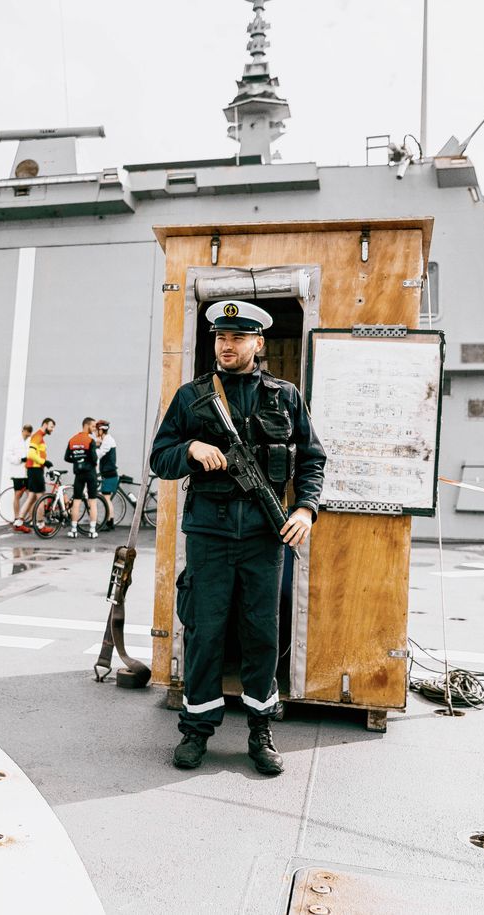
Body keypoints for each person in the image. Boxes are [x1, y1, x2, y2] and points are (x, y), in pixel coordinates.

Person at [149, 300, 325, 776]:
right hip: (209, 529)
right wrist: (190, 448)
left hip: (265, 536)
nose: (226, 346)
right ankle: (196, 730)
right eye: (220, 338)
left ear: (258, 343)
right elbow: (159, 457)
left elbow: (312, 459)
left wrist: (306, 509)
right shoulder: (192, 396)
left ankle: (259, 729)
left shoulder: (284, 396)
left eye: (237, 338)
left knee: (261, 632)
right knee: (205, 630)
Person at [15, 417, 56, 534]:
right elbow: (31, 454)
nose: (52, 430)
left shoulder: (40, 437)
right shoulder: (38, 436)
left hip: (34, 470)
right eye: (51, 427)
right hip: (36, 470)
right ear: (45, 424)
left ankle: (18, 523)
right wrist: (44, 462)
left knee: (31, 497)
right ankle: (40, 525)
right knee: (41, 498)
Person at [64, 417, 100, 539]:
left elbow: (66, 457)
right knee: (93, 501)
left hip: (78, 474)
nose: (94, 428)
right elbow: (95, 459)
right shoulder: (90, 440)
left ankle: (73, 530)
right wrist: (89, 461)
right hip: (90, 473)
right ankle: (92, 531)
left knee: (76, 501)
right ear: (87, 425)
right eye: (93, 426)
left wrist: (77, 460)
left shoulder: (72, 440)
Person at [5, 423, 33, 521]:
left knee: (30, 496)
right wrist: (20, 459)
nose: (28, 436)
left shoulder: (31, 441)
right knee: (17, 495)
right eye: (26, 434)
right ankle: (17, 517)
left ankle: (31, 518)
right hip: (17, 473)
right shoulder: (13, 441)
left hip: (28, 472)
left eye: (29, 434)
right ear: (23, 431)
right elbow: (8, 456)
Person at [95, 419, 119, 532]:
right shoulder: (107, 439)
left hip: (110, 474)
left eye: (96, 430)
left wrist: (96, 445)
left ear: (101, 430)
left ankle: (109, 522)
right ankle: (110, 522)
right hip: (108, 474)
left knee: (106, 499)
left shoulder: (107, 441)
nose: (95, 432)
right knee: (107, 498)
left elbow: (98, 455)